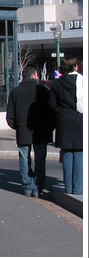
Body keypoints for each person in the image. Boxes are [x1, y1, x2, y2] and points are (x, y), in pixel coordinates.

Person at [6, 67, 54, 198]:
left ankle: (27, 186)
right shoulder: (44, 91)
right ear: (35, 76)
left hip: (23, 129)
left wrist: (17, 126)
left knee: (24, 158)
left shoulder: (15, 92)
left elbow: (10, 115)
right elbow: (51, 112)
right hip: (41, 130)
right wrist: (51, 127)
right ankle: (38, 186)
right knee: (40, 159)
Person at [49, 57, 83, 195]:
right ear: (75, 67)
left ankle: (68, 187)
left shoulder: (57, 83)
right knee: (80, 152)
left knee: (67, 152)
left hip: (63, 120)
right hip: (80, 119)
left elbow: (52, 104)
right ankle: (78, 187)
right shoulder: (82, 81)